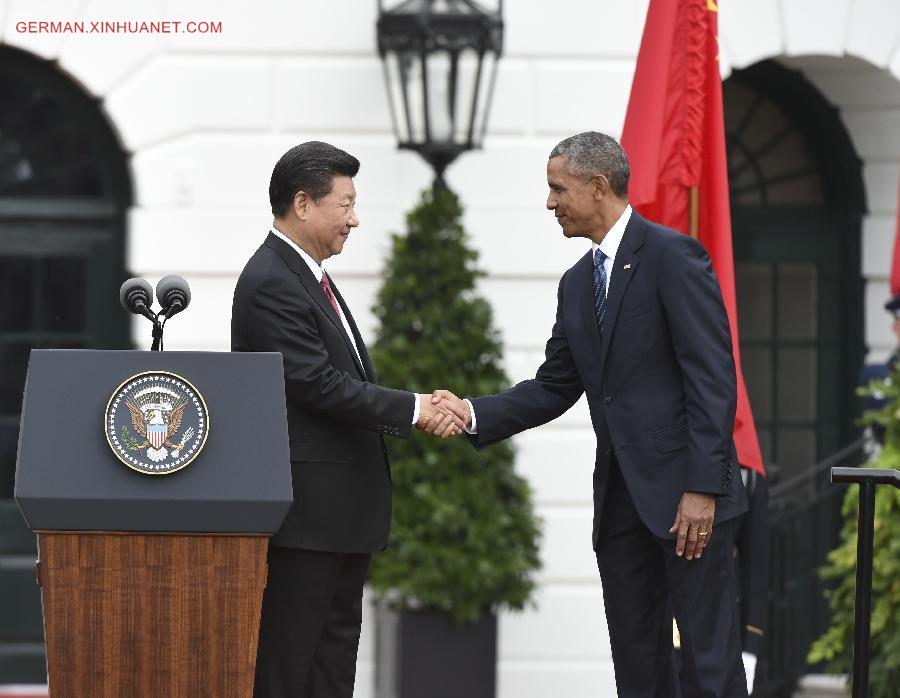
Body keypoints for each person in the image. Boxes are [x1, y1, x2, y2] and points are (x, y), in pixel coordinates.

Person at [433, 132, 750, 697]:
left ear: (598, 186)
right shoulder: (577, 284)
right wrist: (474, 413)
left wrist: (703, 487)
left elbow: (712, 379)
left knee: (708, 662)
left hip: (687, 501)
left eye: (558, 189)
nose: (550, 203)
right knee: (636, 662)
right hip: (622, 504)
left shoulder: (673, 257)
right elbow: (555, 386)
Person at [231, 141, 464, 698]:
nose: (355, 219)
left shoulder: (306, 277)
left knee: (331, 665)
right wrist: (415, 408)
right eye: (346, 203)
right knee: (291, 665)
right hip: (306, 518)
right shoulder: (271, 281)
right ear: (304, 203)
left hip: (336, 517)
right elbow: (314, 383)